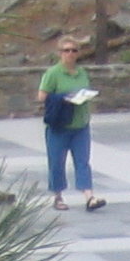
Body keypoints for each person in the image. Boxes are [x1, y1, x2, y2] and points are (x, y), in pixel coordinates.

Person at [36, 35, 104, 213]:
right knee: (57, 162)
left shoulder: (82, 72)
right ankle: (58, 196)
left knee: (83, 161)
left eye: (74, 50)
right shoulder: (53, 74)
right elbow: (42, 96)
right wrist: (64, 98)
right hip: (60, 125)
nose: (71, 54)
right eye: (66, 50)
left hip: (80, 124)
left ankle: (89, 196)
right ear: (60, 53)